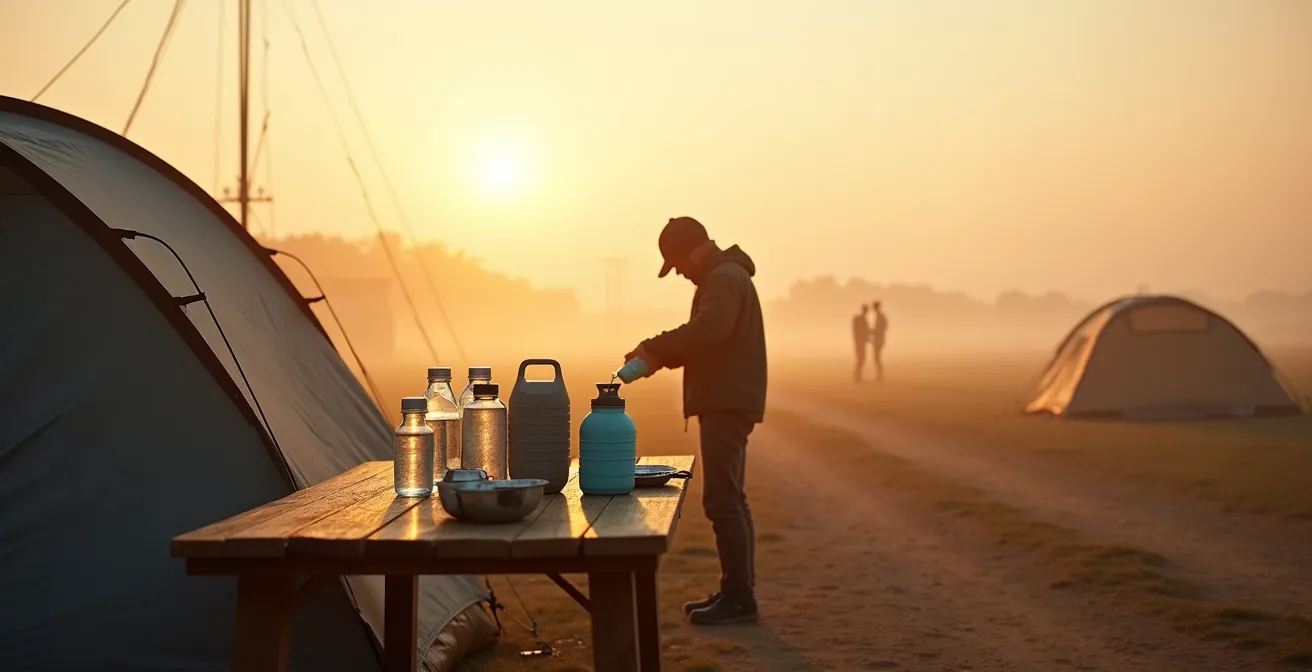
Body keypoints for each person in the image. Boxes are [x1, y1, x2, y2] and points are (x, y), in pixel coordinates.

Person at [622, 216, 767, 625]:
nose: (680, 274)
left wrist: (655, 348)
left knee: (723, 500)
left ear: (693, 250)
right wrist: (660, 358)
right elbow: (707, 338)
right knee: (731, 499)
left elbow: (709, 331)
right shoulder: (725, 276)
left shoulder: (722, 278)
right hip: (729, 398)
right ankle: (738, 591)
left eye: (677, 264)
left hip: (726, 401)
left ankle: (740, 598)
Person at [851, 303, 871, 381]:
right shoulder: (861, 319)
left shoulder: (858, 319)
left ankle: (857, 376)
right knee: (861, 358)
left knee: (860, 358)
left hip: (859, 341)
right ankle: (857, 376)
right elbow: (862, 330)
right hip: (860, 342)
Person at [870, 300, 888, 381]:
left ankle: (880, 376)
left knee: (876, 358)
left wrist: (872, 332)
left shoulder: (880, 317)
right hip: (879, 339)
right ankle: (879, 375)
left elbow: (880, 329)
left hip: (879, 339)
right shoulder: (880, 316)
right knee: (877, 357)